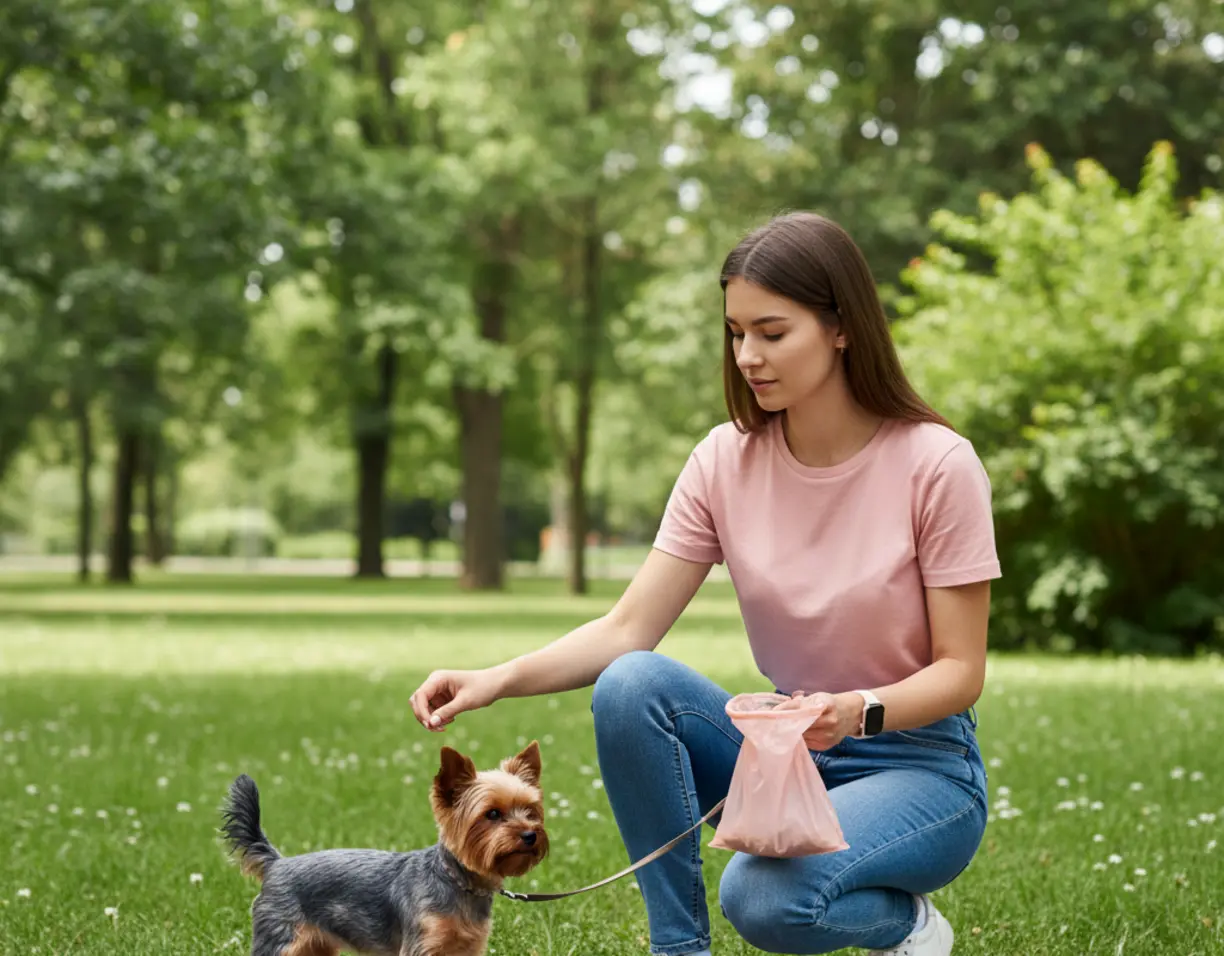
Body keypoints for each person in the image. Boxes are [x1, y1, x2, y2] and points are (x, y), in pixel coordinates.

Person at [409, 211, 1000, 956]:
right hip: (787, 755)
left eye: (773, 332)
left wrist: (856, 710)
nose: (749, 355)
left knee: (764, 899)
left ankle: (907, 925)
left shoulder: (938, 465)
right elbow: (627, 631)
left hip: (919, 766)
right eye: (735, 332)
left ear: (842, 327)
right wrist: (493, 679)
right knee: (632, 683)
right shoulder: (724, 461)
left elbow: (962, 671)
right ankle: (678, 950)